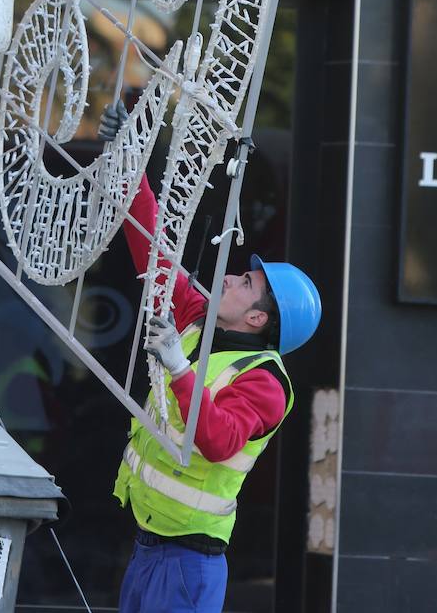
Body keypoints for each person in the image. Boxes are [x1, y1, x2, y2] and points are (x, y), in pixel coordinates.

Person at [113, 169, 321, 613]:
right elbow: (155, 255)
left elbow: (218, 441)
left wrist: (177, 366)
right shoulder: (199, 318)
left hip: (188, 559)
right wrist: (130, 165)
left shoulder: (265, 382)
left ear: (258, 320)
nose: (229, 278)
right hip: (151, 544)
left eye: (247, 284)